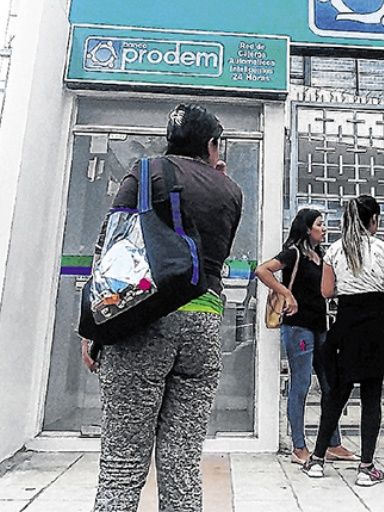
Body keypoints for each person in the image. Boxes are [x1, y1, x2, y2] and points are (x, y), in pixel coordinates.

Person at [80, 104, 244, 512]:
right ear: (211, 144)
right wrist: (217, 179)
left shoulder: (145, 172)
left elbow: (110, 247)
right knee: (182, 463)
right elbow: (216, 254)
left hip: (143, 320)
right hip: (204, 324)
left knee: (122, 463)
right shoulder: (230, 190)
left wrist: (92, 327)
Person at [301, 194, 384, 487]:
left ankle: (317, 460)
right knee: (372, 396)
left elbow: (326, 292)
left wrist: (349, 290)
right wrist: (377, 292)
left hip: (347, 323)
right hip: (376, 325)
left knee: (337, 393)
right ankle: (366, 468)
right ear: (374, 220)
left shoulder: (334, 251)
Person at [254, 208, 360, 464]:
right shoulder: (293, 253)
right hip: (298, 327)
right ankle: (298, 447)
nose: (324, 229)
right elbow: (262, 270)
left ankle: (333, 443)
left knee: (330, 385)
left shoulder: (321, 256)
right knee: (301, 384)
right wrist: (286, 294)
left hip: (320, 327)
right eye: (319, 224)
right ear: (307, 228)